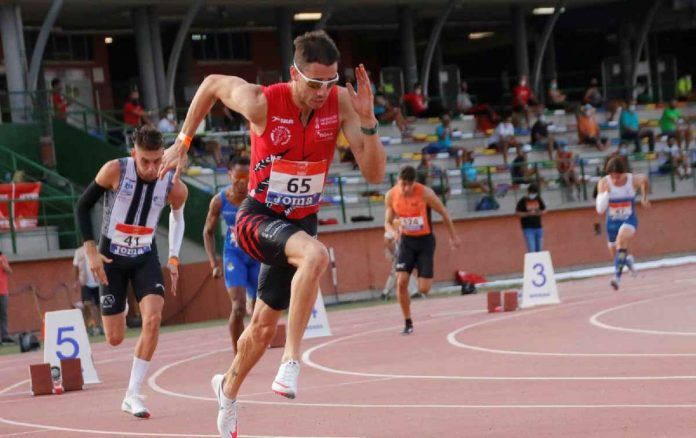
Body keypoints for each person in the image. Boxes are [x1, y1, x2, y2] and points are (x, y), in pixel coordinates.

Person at [157, 30, 385, 437]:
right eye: (314, 83)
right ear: (293, 74)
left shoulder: (340, 103)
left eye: (329, 83)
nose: (321, 92)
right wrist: (182, 140)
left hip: (299, 223)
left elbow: (374, 174)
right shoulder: (263, 101)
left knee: (261, 328)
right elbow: (211, 84)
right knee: (315, 256)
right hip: (257, 217)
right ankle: (293, 361)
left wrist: (367, 122)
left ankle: (226, 390)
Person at [75, 125, 188, 418]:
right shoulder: (114, 170)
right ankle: (121, 305)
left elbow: (178, 217)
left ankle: (133, 394)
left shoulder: (173, 184)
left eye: (157, 161)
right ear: (133, 154)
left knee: (153, 320)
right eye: (145, 161)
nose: (152, 169)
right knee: (114, 338)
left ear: (164, 156)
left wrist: (173, 258)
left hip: (144, 256)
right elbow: (82, 206)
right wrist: (91, 252)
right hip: (110, 256)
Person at [384, 166, 460, 334]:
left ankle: (420, 267)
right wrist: (393, 233)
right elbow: (387, 222)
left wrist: (453, 236)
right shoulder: (391, 195)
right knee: (401, 281)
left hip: (425, 241)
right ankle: (408, 322)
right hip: (406, 242)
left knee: (424, 289)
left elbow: (444, 213)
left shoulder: (425, 193)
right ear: (398, 181)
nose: (405, 189)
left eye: (408, 185)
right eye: (402, 184)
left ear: (414, 183)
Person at [203, 156, 260, 353]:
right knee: (238, 307)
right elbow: (207, 232)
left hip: (257, 256)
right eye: (238, 177)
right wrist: (213, 263)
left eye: (246, 177)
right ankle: (239, 354)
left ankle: (255, 339)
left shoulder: (257, 197)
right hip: (234, 256)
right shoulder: (219, 201)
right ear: (230, 175)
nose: (242, 182)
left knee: (262, 310)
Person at [595, 156, 649, 290]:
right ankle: (628, 261)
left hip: (629, 219)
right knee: (616, 253)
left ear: (623, 172)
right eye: (612, 176)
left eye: (618, 176)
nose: (615, 180)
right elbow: (600, 210)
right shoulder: (603, 183)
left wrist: (644, 197)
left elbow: (644, 179)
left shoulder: (632, 180)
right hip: (612, 222)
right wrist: (606, 193)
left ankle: (616, 278)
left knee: (621, 240)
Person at [73, 246, 103, 336]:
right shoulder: (79, 252)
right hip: (85, 283)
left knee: (99, 305)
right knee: (86, 304)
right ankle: (90, 325)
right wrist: (75, 282)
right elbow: (75, 267)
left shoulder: (98, 249)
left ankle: (99, 325)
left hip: (98, 282)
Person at [515, 183, 546, 253]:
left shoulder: (538, 199)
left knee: (540, 249)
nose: (533, 194)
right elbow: (517, 213)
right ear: (528, 192)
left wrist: (539, 213)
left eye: (535, 193)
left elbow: (544, 210)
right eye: (532, 192)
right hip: (528, 228)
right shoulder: (523, 200)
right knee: (532, 249)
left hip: (538, 227)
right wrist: (527, 214)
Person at [0, 250, 13, 345]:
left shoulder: (2, 257)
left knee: (3, 314)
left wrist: (1, 263)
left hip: (3, 291)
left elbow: (9, 271)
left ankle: (5, 336)